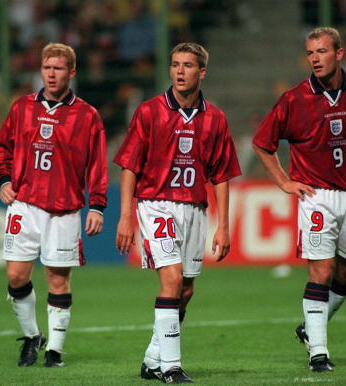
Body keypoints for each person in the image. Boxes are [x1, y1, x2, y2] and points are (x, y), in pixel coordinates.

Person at [252, 27, 346, 373]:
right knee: (321, 271)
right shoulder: (293, 100)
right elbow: (262, 143)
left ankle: (309, 328)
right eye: (310, 53)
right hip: (316, 196)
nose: (315, 58)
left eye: (321, 51)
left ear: (339, 53)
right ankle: (318, 353)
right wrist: (285, 182)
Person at [114, 42, 241, 383]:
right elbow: (128, 167)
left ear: (202, 72)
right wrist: (126, 216)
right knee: (170, 280)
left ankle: (153, 359)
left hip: (194, 209)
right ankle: (171, 367)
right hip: (157, 204)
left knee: (185, 290)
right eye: (175, 64)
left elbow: (222, 175)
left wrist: (223, 225)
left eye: (187, 65)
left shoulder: (214, 118)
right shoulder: (150, 111)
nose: (180, 71)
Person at [0, 43, 107, 368]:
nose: (51, 74)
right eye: (47, 68)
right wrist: (3, 180)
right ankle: (31, 336)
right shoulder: (22, 108)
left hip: (64, 209)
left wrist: (97, 205)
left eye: (58, 68)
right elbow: (2, 147)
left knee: (57, 278)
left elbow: (97, 165)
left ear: (71, 72)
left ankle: (55, 349)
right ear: (40, 71)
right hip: (24, 205)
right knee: (16, 275)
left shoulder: (87, 116)